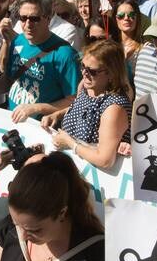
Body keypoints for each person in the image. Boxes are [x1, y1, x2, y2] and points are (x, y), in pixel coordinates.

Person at [0, 0, 80, 122]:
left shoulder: (65, 55)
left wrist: (37, 108)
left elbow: (75, 101)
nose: (28, 24)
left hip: (41, 132)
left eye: (34, 19)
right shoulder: (18, 41)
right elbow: (8, 79)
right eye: (23, 18)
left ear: (48, 18)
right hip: (13, 124)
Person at [44, 39, 132, 170]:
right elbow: (84, 112)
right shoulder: (87, 87)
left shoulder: (114, 108)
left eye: (92, 71)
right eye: (83, 66)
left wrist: (70, 143)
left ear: (111, 73)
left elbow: (105, 160)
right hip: (68, 169)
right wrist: (58, 114)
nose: (84, 73)